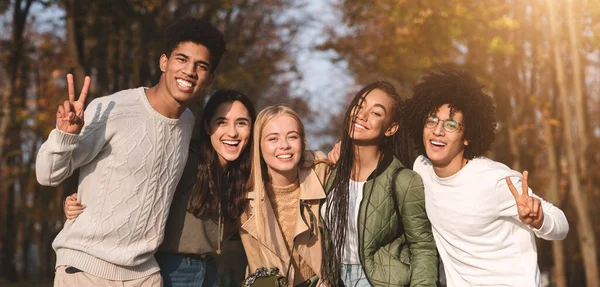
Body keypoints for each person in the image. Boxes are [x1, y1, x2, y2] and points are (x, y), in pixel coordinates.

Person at [36, 17, 226, 286]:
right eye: (181, 59)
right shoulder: (114, 109)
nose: (189, 71)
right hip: (86, 269)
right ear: (164, 62)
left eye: (201, 65)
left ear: (209, 78)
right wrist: (64, 135)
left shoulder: (189, 122)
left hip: (144, 275)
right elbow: (47, 175)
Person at [65, 90, 255, 286]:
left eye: (241, 123)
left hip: (209, 271)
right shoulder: (187, 159)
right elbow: (131, 180)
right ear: (207, 126)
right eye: (222, 122)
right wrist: (79, 198)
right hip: (170, 270)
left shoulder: (242, 176)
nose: (232, 132)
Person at [406, 70, 569, 286]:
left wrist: (539, 220)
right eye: (431, 121)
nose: (438, 131)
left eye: (451, 125)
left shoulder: (495, 180)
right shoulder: (421, 168)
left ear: (467, 137)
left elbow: (562, 225)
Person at [321, 81, 438, 287]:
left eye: (376, 113)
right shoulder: (332, 172)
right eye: (359, 105)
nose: (362, 115)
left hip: (380, 281)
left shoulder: (402, 180)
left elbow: (422, 247)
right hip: (336, 278)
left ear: (391, 128)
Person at [239, 105, 330, 287]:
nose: (284, 145)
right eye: (273, 138)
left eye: (292, 137)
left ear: (302, 142)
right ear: (259, 146)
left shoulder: (322, 173)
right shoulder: (242, 192)